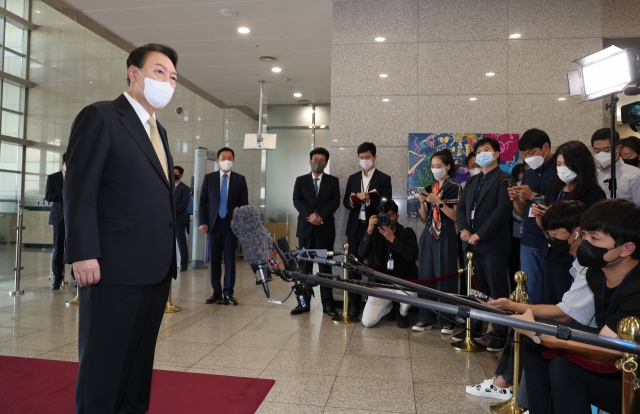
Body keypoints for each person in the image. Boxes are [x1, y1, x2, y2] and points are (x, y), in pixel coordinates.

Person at [64, 44, 179, 414]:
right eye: (160, 72)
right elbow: (79, 188)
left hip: (155, 270)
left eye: (173, 77)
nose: (168, 82)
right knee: (104, 368)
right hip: (112, 269)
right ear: (134, 73)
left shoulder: (158, 130)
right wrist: (82, 252)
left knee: (136, 371)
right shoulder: (101, 116)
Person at [514, 198, 640, 414]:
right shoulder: (596, 274)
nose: (584, 242)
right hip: (619, 362)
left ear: (626, 248)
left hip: (633, 379)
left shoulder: (636, 289)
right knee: (539, 346)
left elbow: (608, 349)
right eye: (584, 235)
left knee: (563, 367)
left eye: (594, 238)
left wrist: (538, 333)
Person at [467, 200, 592, 402]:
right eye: (548, 234)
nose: (551, 239)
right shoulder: (577, 262)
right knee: (527, 329)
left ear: (577, 232)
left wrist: (513, 307)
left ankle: (514, 392)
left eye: (555, 234)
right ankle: (514, 390)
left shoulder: (588, 266)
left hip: (589, 332)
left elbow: (565, 314)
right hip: (575, 320)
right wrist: (510, 307)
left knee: (534, 333)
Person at [531, 140, 606, 304]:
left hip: (573, 256)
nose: (561, 169)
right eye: (558, 164)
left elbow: (593, 229)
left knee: (567, 301)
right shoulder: (554, 189)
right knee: (550, 299)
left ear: (580, 166)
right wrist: (540, 215)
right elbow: (547, 227)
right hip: (550, 252)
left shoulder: (593, 193)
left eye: (567, 164)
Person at [457, 138, 514, 351]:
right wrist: (463, 230)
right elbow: (462, 209)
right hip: (471, 243)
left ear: (497, 154)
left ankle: (500, 331)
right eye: (479, 151)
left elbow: (502, 211)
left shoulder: (505, 179)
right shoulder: (472, 181)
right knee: (476, 289)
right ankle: (476, 327)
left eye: (486, 150)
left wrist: (479, 234)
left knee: (496, 289)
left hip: (493, 244)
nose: (482, 154)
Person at [413, 149, 461, 333]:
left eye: (438, 166)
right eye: (432, 166)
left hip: (446, 233)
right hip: (429, 233)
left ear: (448, 167)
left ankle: (447, 319)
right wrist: (423, 204)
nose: (435, 169)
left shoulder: (454, 187)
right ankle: (425, 317)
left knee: (445, 274)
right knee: (426, 274)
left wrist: (439, 202)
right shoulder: (429, 187)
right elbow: (425, 219)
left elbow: (456, 217)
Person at [343, 142, 392, 317]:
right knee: (354, 266)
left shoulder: (383, 178)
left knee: (373, 267)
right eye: (361, 158)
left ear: (374, 157)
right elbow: (346, 203)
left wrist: (369, 201)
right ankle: (354, 304)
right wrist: (354, 200)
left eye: (367, 158)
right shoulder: (353, 178)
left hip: (374, 228)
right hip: (355, 228)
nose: (364, 161)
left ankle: (373, 306)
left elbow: (386, 202)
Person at [290, 147, 341, 317]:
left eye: (321, 160)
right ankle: (303, 304)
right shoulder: (301, 180)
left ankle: (328, 305)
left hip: (324, 230)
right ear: (309, 160)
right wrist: (310, 215)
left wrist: (320, 216)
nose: (317, 163)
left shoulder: (333, 181)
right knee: (304, 267)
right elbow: (296, 200)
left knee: (325, 267)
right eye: (314, 159)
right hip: (305, 230)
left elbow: (335, 201)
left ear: (326, 163)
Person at [508, 128, 556, 305]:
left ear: (545, 147)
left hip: (551, 240)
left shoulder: (559, 169)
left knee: (551, 291)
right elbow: (522, 212)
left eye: (532, 152)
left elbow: (561, 206)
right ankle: (532, 329)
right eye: (525, 154)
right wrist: (515, 199)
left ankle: (548, 330)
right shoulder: (528, 172)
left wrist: (532, 196)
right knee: (530, 291)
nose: (528, 157)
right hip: (528, 238)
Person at [199, 147, 248, 306]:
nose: (226, 160)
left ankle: (228, 293)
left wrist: (241, 226)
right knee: (214, 260)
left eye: (229, 157)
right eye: (223, 157)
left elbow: (243, 205)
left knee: (229, 260)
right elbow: (203, 201)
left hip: (231, 225)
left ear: (233, 160)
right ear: (218, 160)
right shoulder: (209, 178)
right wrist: (203, 222)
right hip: (213, 224)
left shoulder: (240, 179)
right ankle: (216, 292)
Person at [359, 199, 419, 328]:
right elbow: (361, 253)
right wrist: (369, 230)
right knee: (367, 322)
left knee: (412, 293)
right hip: (381, 285)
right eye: (384, 216)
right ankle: (389, 307)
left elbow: (413, 256)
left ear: (397, 216)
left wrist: (393, 240)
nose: (387, 219)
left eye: (391, 215)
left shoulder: (407, 233)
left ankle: (402, 312)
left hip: (403, 283)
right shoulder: (375, 233)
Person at [45, 152, 74, 289]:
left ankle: (75, 277)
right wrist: (63, 192)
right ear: (63, 164)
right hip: (58, 217)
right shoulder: (52, 178)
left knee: (73, 247)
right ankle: (57, 278)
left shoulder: (76, 177)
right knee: (58, 248)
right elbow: (49, 196)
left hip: (73, 218)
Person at [591, 128, 640, 204]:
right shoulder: (592, 175)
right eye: (597, 151)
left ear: (619, 148)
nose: (601, 154)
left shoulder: (635, 175)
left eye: (606, 150)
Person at [508, 163, 526, 279]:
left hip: (528, 239)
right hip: (513, 238)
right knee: (513, 270)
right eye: (519, 180)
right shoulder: (509, 197)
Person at [173, 166, 190, 271]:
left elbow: (184, 204)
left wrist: (172, 210)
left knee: (181, 242)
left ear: (180, 175)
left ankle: (184, 264)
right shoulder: (168, 186)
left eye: (175, 172)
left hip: (179, 219)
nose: (173, 174)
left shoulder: (185, 188)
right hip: (168, 219)